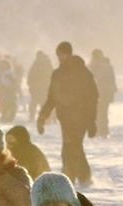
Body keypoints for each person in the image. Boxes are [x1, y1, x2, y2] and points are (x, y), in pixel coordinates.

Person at [37, 42, 98, 188]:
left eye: (63, 54)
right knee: (73, 146)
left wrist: (91, 121)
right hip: (65, 118)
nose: (60, 58)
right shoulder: (57, 74)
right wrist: (43, 116)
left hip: (81, 117)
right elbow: (52, 97)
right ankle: (83, 177)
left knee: (71, 147)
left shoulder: (82, 72)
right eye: (58, 55)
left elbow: (92, 97)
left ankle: (69, 179)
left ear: (69, 54)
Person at [89, 49, 117, 137]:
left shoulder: (101, 67)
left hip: (101, 93)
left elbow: (111, 81)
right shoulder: (106, 67)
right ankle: (101, 131)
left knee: (99, 113)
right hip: (99, 94)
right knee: (100, 112)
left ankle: (101, 131)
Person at [26, 51, 53, 122]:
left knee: (41, 103)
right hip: (38, 87)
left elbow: (51, 75)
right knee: (37, 103)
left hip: (43, 87)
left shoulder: (45, 64)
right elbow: (30, 76)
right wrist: (30, 85)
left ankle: (44, 117)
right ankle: (35, 116)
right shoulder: (37, 64)